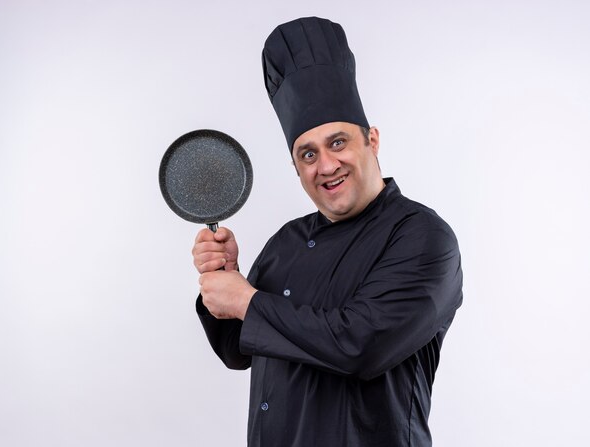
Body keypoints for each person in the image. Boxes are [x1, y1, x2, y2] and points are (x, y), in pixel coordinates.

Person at [192, 17, 463, 447]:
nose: (326, 165)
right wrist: (227, 276)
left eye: (338, 143)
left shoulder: (422, 237)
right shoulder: (286, 241)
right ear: (296, 167)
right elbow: (236, 348)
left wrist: (246, 300)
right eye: (308, 154)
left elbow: (363, 345)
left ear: (371, 140)